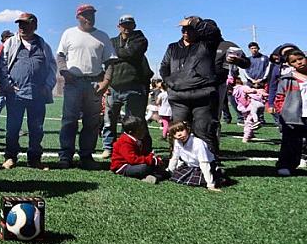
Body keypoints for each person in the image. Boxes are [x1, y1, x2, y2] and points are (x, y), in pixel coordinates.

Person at [55, 4, 115, 170]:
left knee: (92, 122)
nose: (89, 17)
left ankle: (86, 156)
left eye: (91, 14)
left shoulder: (102, 36)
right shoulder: (69, 33)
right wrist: (64, 72)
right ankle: (65, 156)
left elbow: (110, 61)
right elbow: (60, 56)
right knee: (69, 121)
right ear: (78, 17)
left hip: (95, 83)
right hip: (73, 82)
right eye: (85, 14)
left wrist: (106, 81)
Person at [0, 13, 56, 170]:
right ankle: (10, 157)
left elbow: (52, 67)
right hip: (15, 94)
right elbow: (1, 65)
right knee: (12, 128)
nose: (21, 27)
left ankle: (35, 159)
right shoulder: (10, 43)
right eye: (20, 24)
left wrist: (48, 86)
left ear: (34, 26)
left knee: (37, 129)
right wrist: (7, 85)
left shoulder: (43, 45)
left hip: (37, 95)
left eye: (25, 24)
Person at [159, 16, 224, 157]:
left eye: (189, 29)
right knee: (178, 131)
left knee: (203, 130)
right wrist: (169, 81)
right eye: (183, 29)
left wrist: (195, 22)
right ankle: (178, 162)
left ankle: (211, 164)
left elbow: (214, 32)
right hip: (178, 96)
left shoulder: (207, 44)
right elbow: (164, 66)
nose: (185, 32)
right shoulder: (173, 47)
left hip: (203, 95)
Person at [100, 14, 151, 159]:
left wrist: (115, 54)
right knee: (109, 120)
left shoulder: (140, 39)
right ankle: (108, 147)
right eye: (124, 25)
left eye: (129, 24)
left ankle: (134, 148)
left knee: (134, 121)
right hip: (114, 86)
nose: (126, 27)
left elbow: (132, 53)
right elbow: (107, 58)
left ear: (134, 25)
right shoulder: (112, 41)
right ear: (119, 26)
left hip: (133, 86)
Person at [272, 49, 307, 176]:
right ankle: (286, 165)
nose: (299, 62)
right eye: (294, 61)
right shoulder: (287, 79)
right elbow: (280, 97)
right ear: (290, 64)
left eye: (300, 59)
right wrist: (282, 112)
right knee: (291, 142)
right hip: (293, 116)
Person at [166, 121, 221, 191]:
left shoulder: (198, 143)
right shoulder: (177, 142)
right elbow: (174, 158)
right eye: (175, 133)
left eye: (181, 130)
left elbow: (204, 164)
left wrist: (210, 185)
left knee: (200, 180)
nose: (179, 134)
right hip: (190, 166)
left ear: (187, 129)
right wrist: (170, 172)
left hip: (205, 166)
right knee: (177, 176)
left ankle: (217, 173)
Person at [110, 115, 165, 183]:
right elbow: (133, 160)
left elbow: (142, 154)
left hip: (133, 164)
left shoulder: (136, 139)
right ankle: (154, 175)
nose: (144, 131)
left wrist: (153, 157)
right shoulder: (124, 141)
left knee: (158, 165)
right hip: (123, 167)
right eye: (141, 130)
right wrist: (151, 160)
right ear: (131, 132)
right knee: (144, 168)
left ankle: (154, 176)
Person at [232, 76, 265, 142]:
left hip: (243, 107)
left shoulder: (235, 90)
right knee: (249, 122)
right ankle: (246, 137)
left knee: (247, 121)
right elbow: (248, 91)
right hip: (250, 106)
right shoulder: (243, 87)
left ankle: (251, 134)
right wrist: (256, 91)